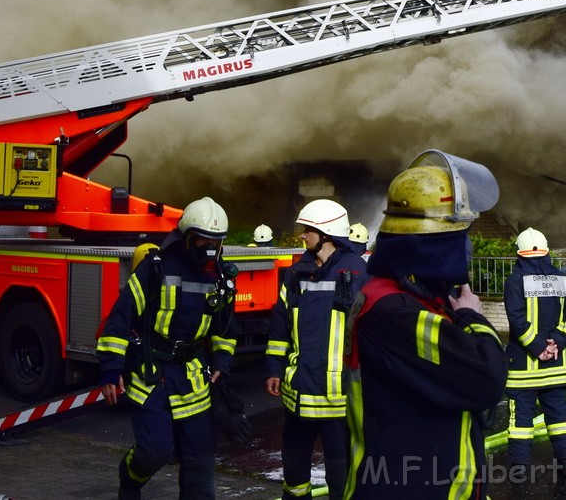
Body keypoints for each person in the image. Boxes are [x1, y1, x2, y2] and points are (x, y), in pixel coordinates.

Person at [344, 149, 507, 499]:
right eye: (460, 237)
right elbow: (487, 378)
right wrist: (472, 316)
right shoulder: (393, 311)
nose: (467, 249)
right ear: (434, 244)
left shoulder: (409, 298)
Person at [97, 196, 239, 500]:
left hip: (193, 379)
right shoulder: (155, 268)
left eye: (216, 242)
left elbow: (226, 328)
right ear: (188, 238)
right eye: (204, 240)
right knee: (155, 451)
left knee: (200, 464)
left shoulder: (222, 277)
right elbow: (121, 317)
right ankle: (130, 480)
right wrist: (110, 369)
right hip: (153, 375)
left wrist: (223, 362)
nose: (210, 248)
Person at [265, 199, 369, 500]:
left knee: (342, 476)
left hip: (338, 396)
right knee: (294, 473)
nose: (302, 236)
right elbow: (279, 326)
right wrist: (274, 369)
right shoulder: (297, 273)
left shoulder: (357, 273)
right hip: (298, 392)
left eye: (307, 230)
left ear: (325, 233)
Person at [504, 227, 566, 480]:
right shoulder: (561, 279)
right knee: (560, 416)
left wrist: (538, 348)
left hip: (524, 370)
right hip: (556, 368)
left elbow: (516, 319)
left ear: (520, 253)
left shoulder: (515, 280)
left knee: (521, 422)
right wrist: (557, 342)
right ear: (547, 252)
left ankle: (519, 469)